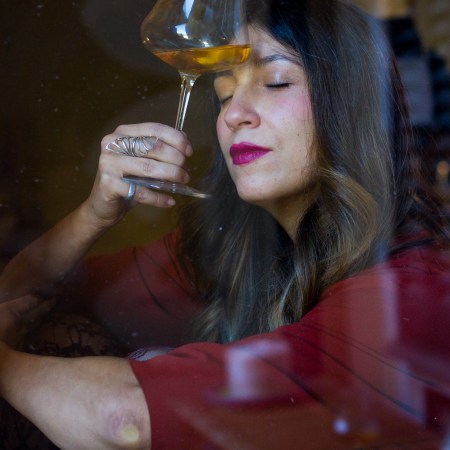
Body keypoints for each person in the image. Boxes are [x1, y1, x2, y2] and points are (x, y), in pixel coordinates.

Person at [1, 0, 449, 448]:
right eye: (224, 94)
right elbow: (18, 299)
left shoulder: (415, 291)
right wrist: (94, 214)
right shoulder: (233, 250)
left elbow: (124, 421)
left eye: (276, 82)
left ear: (355, 105)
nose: (234, 114)